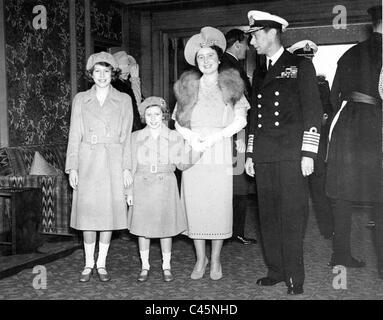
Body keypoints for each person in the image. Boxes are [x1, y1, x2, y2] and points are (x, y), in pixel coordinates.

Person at [244, 10, 322, 295]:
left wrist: (308, 154)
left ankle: (294, 276)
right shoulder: (260, 71)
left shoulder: (300, 65)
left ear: (271, 33)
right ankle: (275, 270)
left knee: (291, 216)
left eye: (255, 35)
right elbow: (255, 119)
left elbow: (312, 112)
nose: (252, 42)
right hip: (265, 155)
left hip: (291, 155)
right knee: (268, 217)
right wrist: (250, 155)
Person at [173, 26, 250, 280]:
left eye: (210, 56)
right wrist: (192, 137)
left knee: (217, 206)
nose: (205, 61)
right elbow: (176, 121)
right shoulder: (187, 86)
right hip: (194, 151)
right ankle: (200, 260)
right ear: (196, 62)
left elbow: (240, 120)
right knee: (195, 206)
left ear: (219, 58)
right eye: (200, 58)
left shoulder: (231, 84)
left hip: (218, 152)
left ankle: (216, 260)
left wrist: (217, 136)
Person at [65, 52, 133, 282]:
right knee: (88, 214)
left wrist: (126, 169)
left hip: (113, 160)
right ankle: (88, 263)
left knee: (107, 214)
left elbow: (127, 138)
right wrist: (72, 167)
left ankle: (101, 264)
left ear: (113, 74)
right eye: (97, 71)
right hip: (87, 160)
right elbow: (74, 135)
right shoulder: (80, 99)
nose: (102, 76)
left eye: (106, 71)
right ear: (91, 74)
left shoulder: (124, 100)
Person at [326, 5, 382, 275]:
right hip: (376, 127)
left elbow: (333, 96)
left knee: (343, 195)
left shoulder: (349, 53)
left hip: (345, 127)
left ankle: (340, 256)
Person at [127, 96, 200, 282]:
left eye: (157, 114)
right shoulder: (135, 137)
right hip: (141, 184)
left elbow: (182, 164)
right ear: (144, 116)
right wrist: (128, 192)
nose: (153, 118)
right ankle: (145, 266)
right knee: (142, 229)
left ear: (163, 115)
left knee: (165, 228)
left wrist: (198, 149)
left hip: (165, 184)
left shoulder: (174, 136)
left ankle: (166, 266)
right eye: (149, 114)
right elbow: (128, 166)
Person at [288, 40, 334, 240]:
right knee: (294, 193)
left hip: (317, 144)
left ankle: (328, 229)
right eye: (303, 59)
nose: (307, 63)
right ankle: (295, 232)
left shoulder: (322, 83)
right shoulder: (288, 81)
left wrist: (325, 116)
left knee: (320, 190)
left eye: (310, 59)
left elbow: (330, 108)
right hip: (293, 144)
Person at [220, 28, 257, 245]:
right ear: (237, 44)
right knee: (238, 182)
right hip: (236, 132)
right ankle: (233, 232)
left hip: (236, 131)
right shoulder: (229, 66)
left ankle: (232, 231)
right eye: (246, 44)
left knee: (236, 181)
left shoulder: (229, 64)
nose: (248, 47)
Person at [112, 51, 143, 132]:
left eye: (127, 72)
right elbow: (137, 104)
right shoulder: (117, 85)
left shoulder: (125, 83)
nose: (127, 74)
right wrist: (135, 79)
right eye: (123, 73)